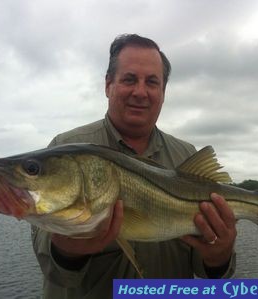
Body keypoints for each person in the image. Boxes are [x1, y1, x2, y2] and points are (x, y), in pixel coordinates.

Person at [32, 34, 237, 299]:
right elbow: (51, 265)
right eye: (129, 79)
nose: (140, 91)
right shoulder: (67, 149)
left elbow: (209, 276)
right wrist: (66, 250)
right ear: (108, 85)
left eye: (152, 82)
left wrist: (219, 257)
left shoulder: (186, 157)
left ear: (163, 93)